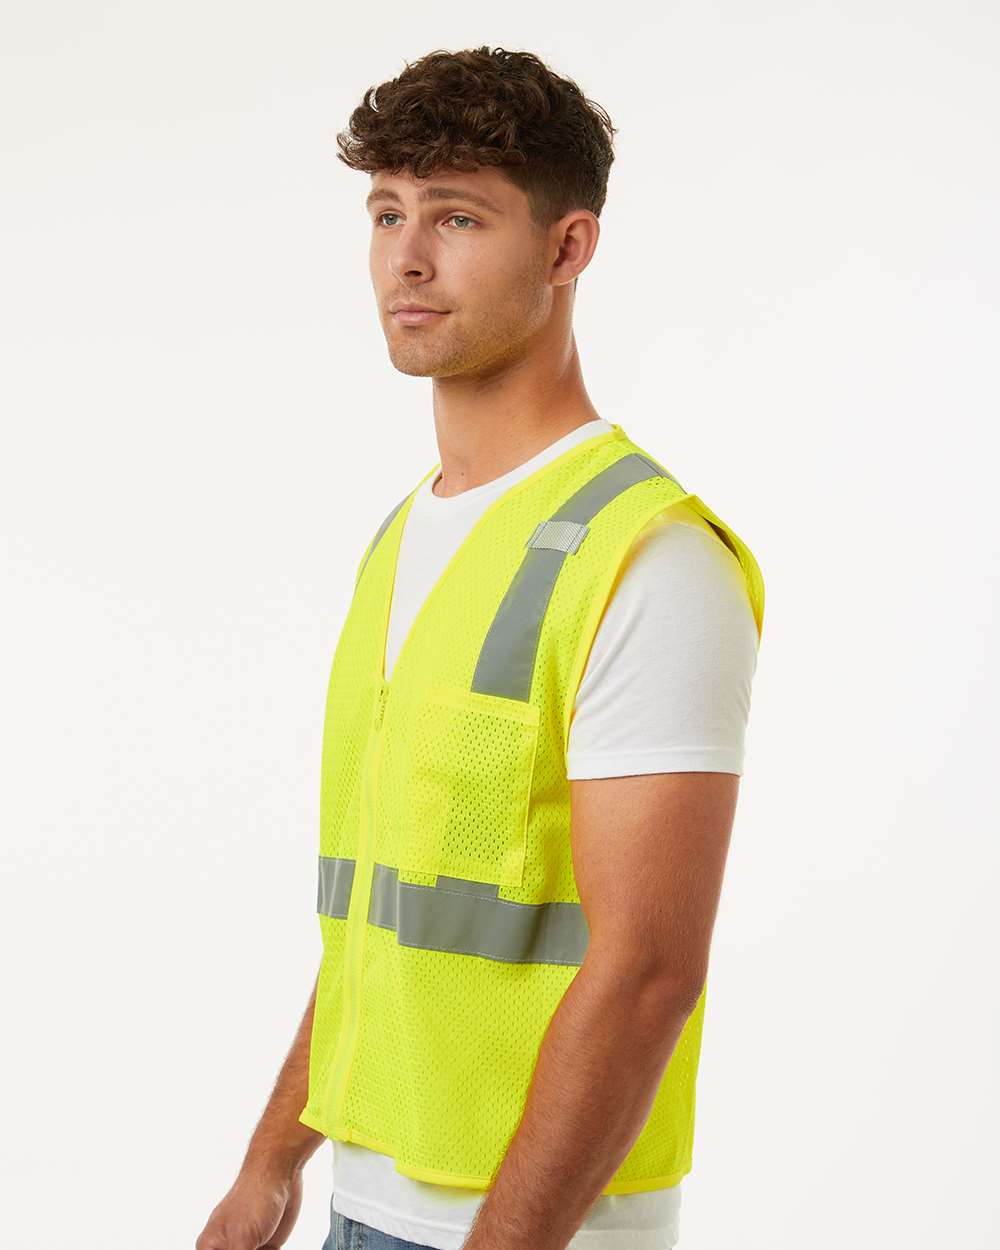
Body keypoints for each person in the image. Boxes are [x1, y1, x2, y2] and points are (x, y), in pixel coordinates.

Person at [196, 44, 764, 1250]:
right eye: (386, 213)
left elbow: (649, 971)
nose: (407, 257)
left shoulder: (648, 558)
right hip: (363, 1196)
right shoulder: (406, 536)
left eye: (456, 217)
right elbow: (384, 918)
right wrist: (272, 1159)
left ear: (566, 248)